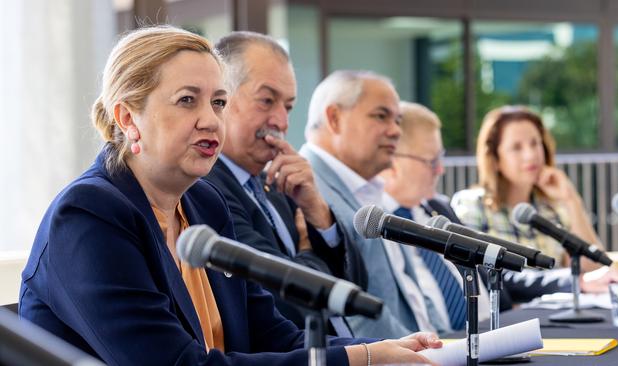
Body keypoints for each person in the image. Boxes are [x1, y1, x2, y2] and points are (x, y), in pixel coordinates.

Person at [18, 26, 442, 366]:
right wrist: (361, 358)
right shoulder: (89, 214)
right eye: (187, 101)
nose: (210, 120)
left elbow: (272, 333)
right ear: (128, 117)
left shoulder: (204, 203)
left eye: (219, 102)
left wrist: (382, 352)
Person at [203, 31, 365, 336]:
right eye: (267, 100)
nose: (281, 120)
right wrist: (307, 253)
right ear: (221, 100)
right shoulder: (207, 189)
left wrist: (317, 210)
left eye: (288, 106)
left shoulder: (280, 181)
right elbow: (286, 300)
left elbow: (358, 288)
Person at [301, 70, 448, 338]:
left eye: (398, 120)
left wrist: (445, 338)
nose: (395, 131)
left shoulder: (367, 187)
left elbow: (410, 290)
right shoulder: (307, 189)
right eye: (381, 116)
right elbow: (353, 314)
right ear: (334, 118)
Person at [452, 105, 618, 296]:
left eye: (535, 143)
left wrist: (571, 199)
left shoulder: (551, 210)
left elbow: (593, 268)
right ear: (494, 158)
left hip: (557, 318)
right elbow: (478, 279)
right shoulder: (472, 205)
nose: (531, 155)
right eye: (516, 147)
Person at [379, 101, 490, 330]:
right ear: (392, 161)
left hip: (490, 339)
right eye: (431, 161)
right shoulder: (374, 227)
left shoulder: (440, 209)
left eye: (441, 158)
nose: (441, 169)